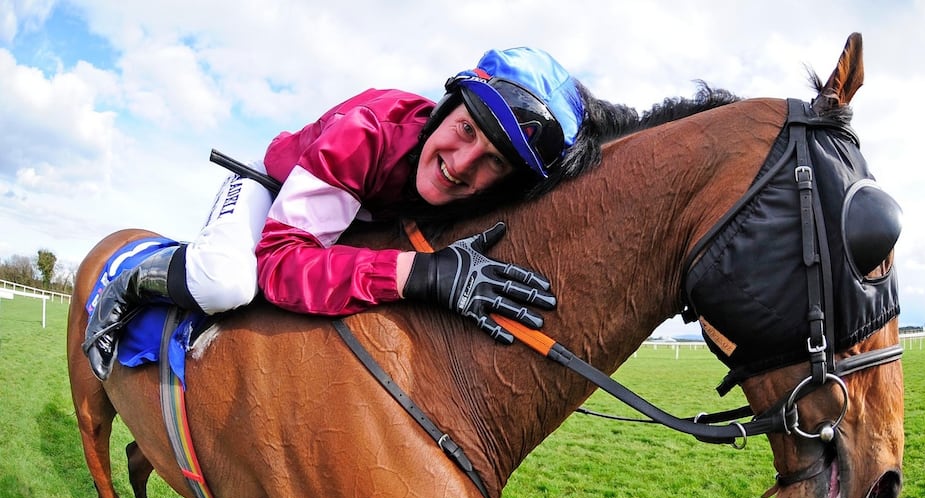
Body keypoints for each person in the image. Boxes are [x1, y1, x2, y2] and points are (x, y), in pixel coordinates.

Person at [82, 46, 620, 381]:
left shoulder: (476, 185)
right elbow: (280, 263)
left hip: (351, 216)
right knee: (227, 282)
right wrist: (420, 272)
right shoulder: (368, 132)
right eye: (467, 130)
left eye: (494, 161)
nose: (461, 164)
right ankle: (130, 284)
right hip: (267, 189)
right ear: (448, 105)